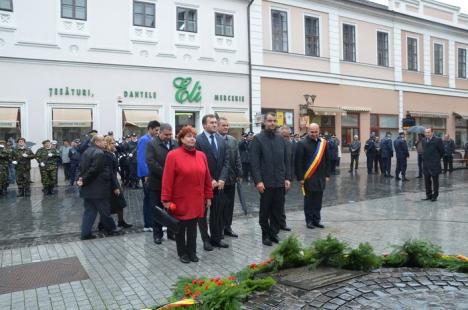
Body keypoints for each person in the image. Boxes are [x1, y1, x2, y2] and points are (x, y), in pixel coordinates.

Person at [161, 126, 213, 263]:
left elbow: (207, 178)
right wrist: (166, 199)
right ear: (182, 139)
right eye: (188, 136)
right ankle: (182, 253)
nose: (192, 139)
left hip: (197, 200)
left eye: (193, 136)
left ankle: (192, 251)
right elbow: (167, 179)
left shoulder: (201, 156)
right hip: (180, 200)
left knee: (193, 228)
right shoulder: (173, 155)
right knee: (180, 228)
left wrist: (208, 196)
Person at [250, 112, 291, 246]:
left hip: (279, 181)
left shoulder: (281, 139)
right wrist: (258, 181)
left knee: (278, 211)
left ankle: (274, 233)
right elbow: (254, 162)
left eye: (274, 121)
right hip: (265, 182)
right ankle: (265, 235)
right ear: (264, 122)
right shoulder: (258, 139)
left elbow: (286, 160)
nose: (272, 123)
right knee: (265, 211)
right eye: (269, 121)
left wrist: (287, 178)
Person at [77, 135, 123, 240]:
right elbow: (94, 170)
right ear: (97, 142)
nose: (104, 142)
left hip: (88, 189)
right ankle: (112, 229)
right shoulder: (99, 153)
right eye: (102, 140)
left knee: (89, 211)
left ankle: (85, 233)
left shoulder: (86, 151)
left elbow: (81, 168)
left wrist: (80, 179)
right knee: (105, 211)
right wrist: (83, 180)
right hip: (98, 189)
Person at [196, 114, 230, 250]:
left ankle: (216, 238)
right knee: (203, 213)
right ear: (204, 125)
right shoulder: (198, 140)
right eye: (211, 123)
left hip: (219, 184)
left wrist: (222, 178)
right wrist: (210, 180)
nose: (215, 125)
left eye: (215, 122)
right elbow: (198, 164)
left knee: (217, 212)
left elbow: (226, 162)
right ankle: (206, 239)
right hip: (204, 184)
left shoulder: (221, 140)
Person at [146, 123, 178, 244]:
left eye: (170, 134)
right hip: (157, 183)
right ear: (159, 132)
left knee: (172, 209)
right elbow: (151, 162)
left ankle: (172, 232)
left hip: (173, 184)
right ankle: (157, 234)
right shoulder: (151, 144)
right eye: (166, 134)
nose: (169, 136)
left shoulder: (175, 143)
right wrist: (167, 174)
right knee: (157, 209)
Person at [295, 123, 331, 229]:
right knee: (309, 201)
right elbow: (298, 162)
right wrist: (300, 178)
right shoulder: (302, 143)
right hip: (308, 178)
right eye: (312, 132)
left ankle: (316, 220)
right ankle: (309, 221)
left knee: (318, 200)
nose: (314, 134)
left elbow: (327, 159)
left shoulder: (323, 143)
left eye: (316, 132)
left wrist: (327, 174)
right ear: (308, 130)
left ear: (319, 131)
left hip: (320, 178)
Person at [217, 117, 243, 238]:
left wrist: (239, 173)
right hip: (219, 180)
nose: (226, 127)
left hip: (232, 178)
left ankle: (228, 227)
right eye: (223, 125)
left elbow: (237, 157)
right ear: (217, 126)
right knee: (219, 206)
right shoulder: (215, 139)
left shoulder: (233, 140)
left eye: (227, 125)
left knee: (229, 205)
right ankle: (219, 228)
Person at [136, 121, 160, 232]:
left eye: (158, 130)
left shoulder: (152, 139)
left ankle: (151, 223)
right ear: (149, 129)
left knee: (151, 199)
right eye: (156, 130)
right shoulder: (144, 140)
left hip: (151, 175)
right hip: (147, 175)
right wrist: (146, 174)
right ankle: (148, 224)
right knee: (149, 199)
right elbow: (141, 159)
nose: (157, 132)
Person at [422, 128, 444, 202]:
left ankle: (435, 196)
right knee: (427, 181)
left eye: (428, 132)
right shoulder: (423, 140)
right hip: (426, 164)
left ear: (432, 132)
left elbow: (442, 152)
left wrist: (436, 159)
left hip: (434, 164)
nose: (427, 134)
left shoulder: (438, 140)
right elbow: (424, 150)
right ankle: (428, 195)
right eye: (425, 132)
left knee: (435, 181)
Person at [278, 126, 293, 232]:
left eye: (288, 137)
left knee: (281, 202)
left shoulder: (289, 145)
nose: (286, 139)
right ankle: (274, 222)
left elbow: (289, 163)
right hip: (273, 179)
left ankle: (282, 223)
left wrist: (288, 178)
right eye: (284, 136)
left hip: (285, 179)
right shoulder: (274, 145)